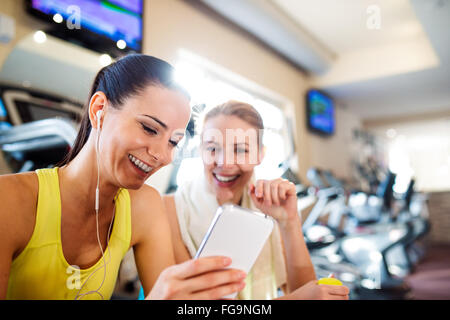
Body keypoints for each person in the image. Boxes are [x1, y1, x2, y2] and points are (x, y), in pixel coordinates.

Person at [0, 54, 247, 300]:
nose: (161, 155)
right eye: (149, 129)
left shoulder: (145, 207)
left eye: (173, 142)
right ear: (99, 110)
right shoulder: (9, 201)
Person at [162, 101, 350, 300]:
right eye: (212, 148)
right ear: (201, 151)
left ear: (260, 154)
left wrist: (289, 222)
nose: (224, 162)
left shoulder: (268, 207)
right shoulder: (171, 210)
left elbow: (303, 289)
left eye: (240, 150)